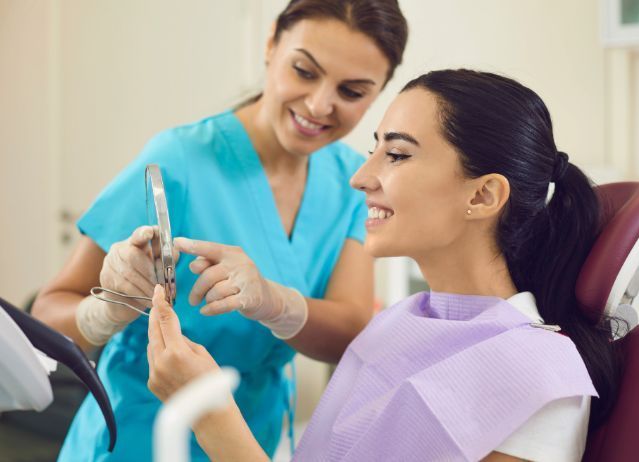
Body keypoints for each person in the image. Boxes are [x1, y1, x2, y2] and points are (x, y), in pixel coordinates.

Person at [147, 69, 622, 461]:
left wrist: (210, 414)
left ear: (482, 194)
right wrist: (273, 304)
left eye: (396, 155)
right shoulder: (400, 324)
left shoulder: (537, 376)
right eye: (375, 148)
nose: (361, 177)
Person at [31, 1, 408, 460]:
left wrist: (276, 303)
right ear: (271, 44)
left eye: (351, 91)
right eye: (305, 72)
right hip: (138, 437)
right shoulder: (179, 159)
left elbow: (351, 332)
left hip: (249, 438)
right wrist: (104, 313)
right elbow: (47, 316)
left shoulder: (354, 181)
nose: (318, 105)